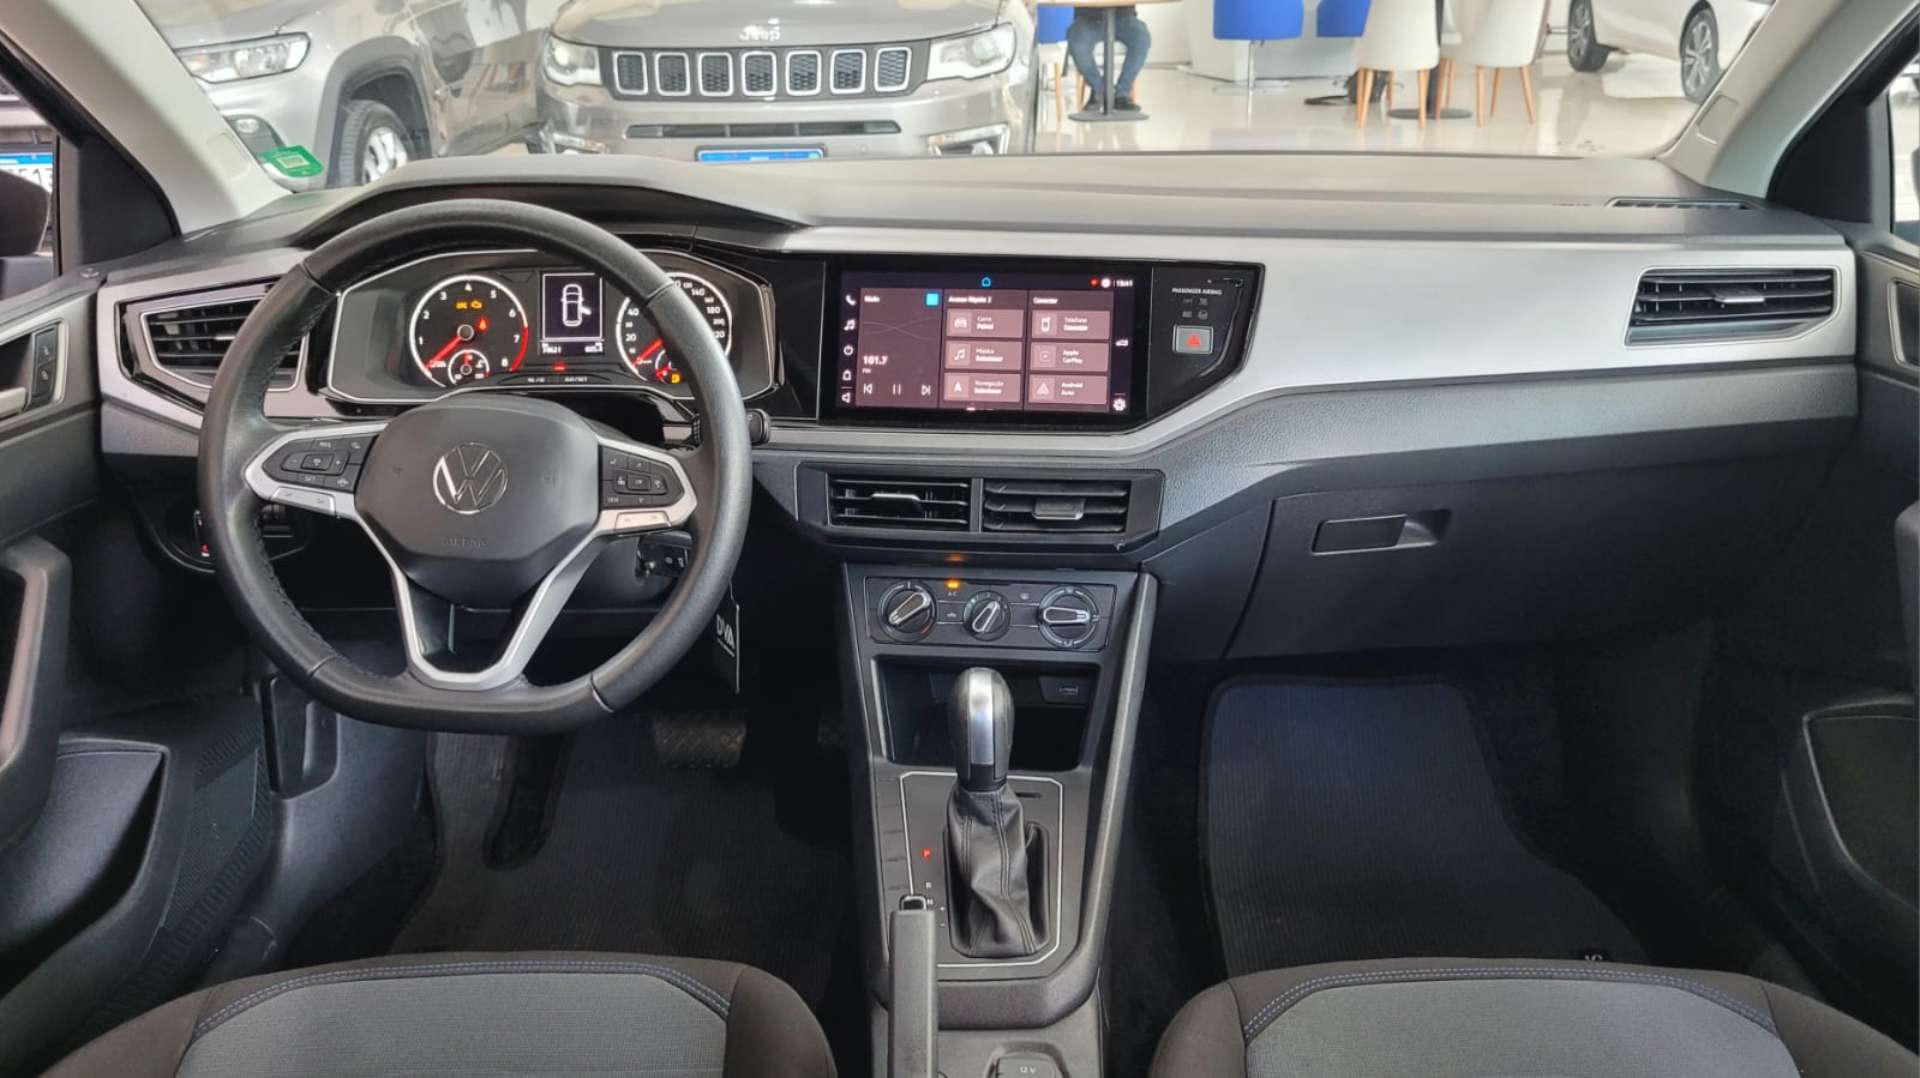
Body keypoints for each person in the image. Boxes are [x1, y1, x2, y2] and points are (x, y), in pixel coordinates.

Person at [1065, 6, 1151, 114]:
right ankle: (1099, 89)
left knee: (1141, 39)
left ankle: (1122, 93)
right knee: (1077, 44)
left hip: (1123, 17)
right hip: (1088, 19)